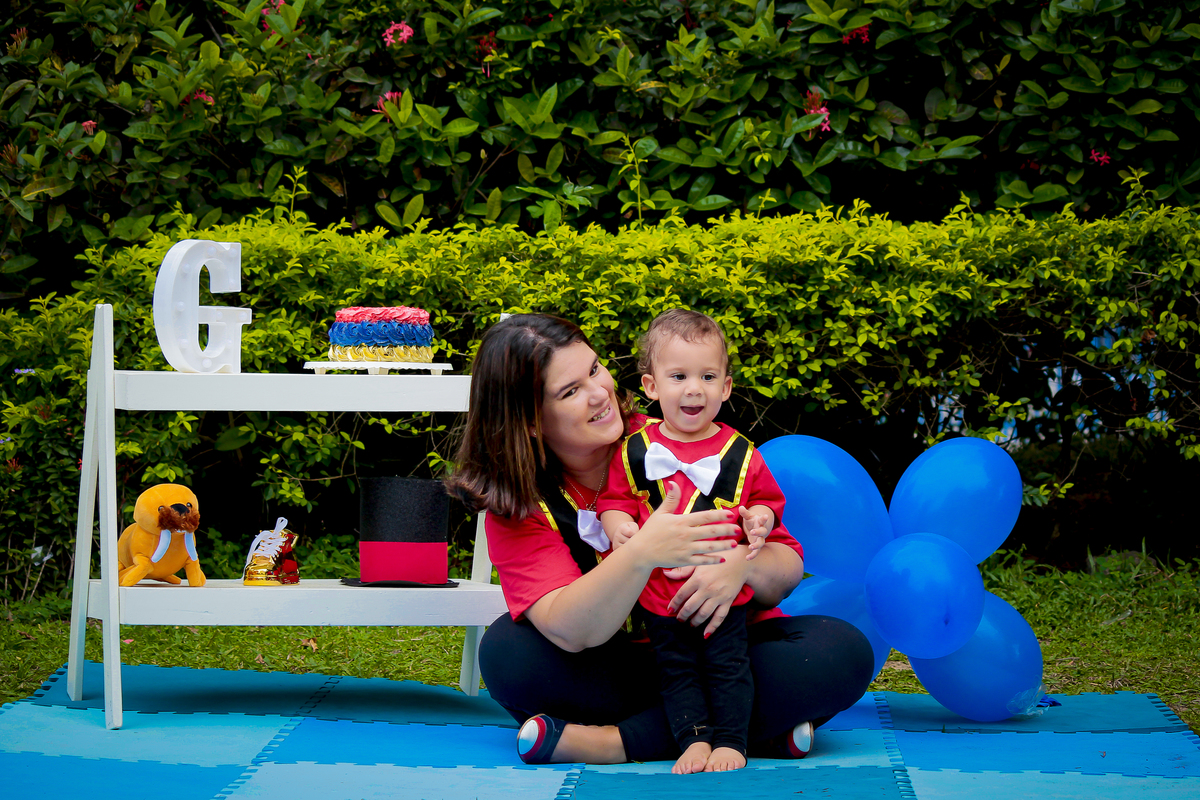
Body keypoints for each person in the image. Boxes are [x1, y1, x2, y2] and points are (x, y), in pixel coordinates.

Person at [445, 313, 874, 769]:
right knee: (508, 654)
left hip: (726, 653)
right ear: (530, 421)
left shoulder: (676, 437)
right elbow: (572, 630)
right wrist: (640, 553)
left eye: (594, 369)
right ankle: (749, 729)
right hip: (621, 671)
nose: (599, 394)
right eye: (570, 391)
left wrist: (741, 566)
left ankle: (617, 743)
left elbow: (787, 567)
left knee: (840, 649)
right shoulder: (519, 504)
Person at [596, 309, 781, 774]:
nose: (693, 388)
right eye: (678, 376)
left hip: (723, 595)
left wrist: (758, 519)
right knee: (676, 671)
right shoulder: (635, 449)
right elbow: (614, 500)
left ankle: (733, 742)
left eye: (707, 376)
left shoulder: (741, 452)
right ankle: (692, 740)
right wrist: (619, 525)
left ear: (726, 387)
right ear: (652, 386)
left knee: (728, 667)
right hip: (661, 597)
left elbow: (765, 503)